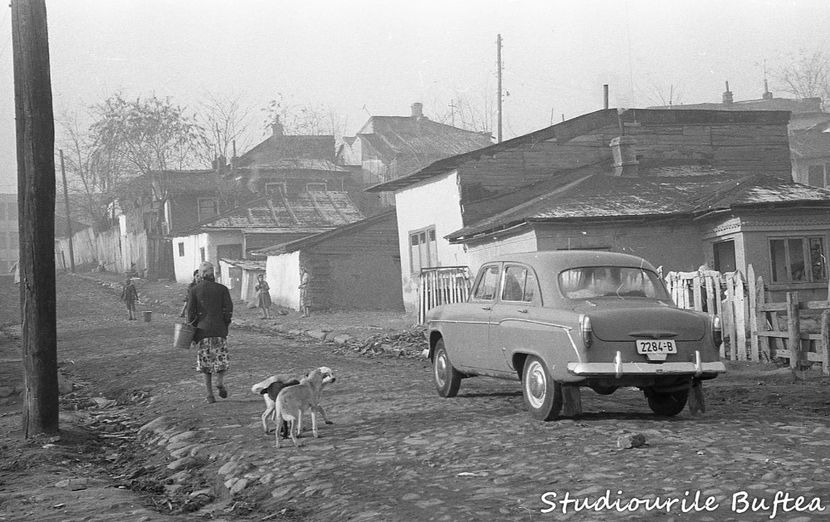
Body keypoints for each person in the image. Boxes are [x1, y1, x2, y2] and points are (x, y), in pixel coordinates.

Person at [186, 261, 233, 404]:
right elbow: (229, 310)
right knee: (220, 360)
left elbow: (190, 313)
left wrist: (193, 331)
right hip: (219, 330)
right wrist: (225, 324)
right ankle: (219, 381)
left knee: (205, 365)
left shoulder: (194, 290)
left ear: (201, 274)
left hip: (202, 331)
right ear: (214, 273)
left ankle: (209, 395)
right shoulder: (222, 289)